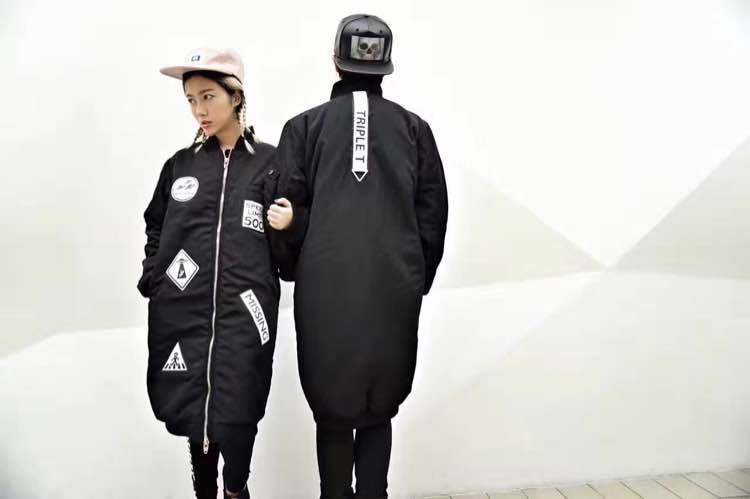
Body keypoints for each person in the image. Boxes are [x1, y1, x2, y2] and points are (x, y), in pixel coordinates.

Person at [275, 14, 449, 499]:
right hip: (394, 291)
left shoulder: (303, 128)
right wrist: (415, 278)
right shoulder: (415, 130)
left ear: (336, 62)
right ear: (386, 67)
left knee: (331, 410)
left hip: (324, 293)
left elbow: (283, 211)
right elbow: (432, 214)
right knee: (379, 410)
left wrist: (295, 262)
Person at [137, 47, 295, 499]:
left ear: (235, 96)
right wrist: (155, 277)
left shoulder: (271, 165)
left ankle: (236, 488)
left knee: (239, 408)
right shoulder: (180, 167)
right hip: (185, 312)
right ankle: (204, 489)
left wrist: (290, 225)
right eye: (191, 100)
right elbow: (155, 225)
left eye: (208, 97)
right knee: (194, 406)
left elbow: (288, 259)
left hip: (246, 313)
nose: (199, 110)